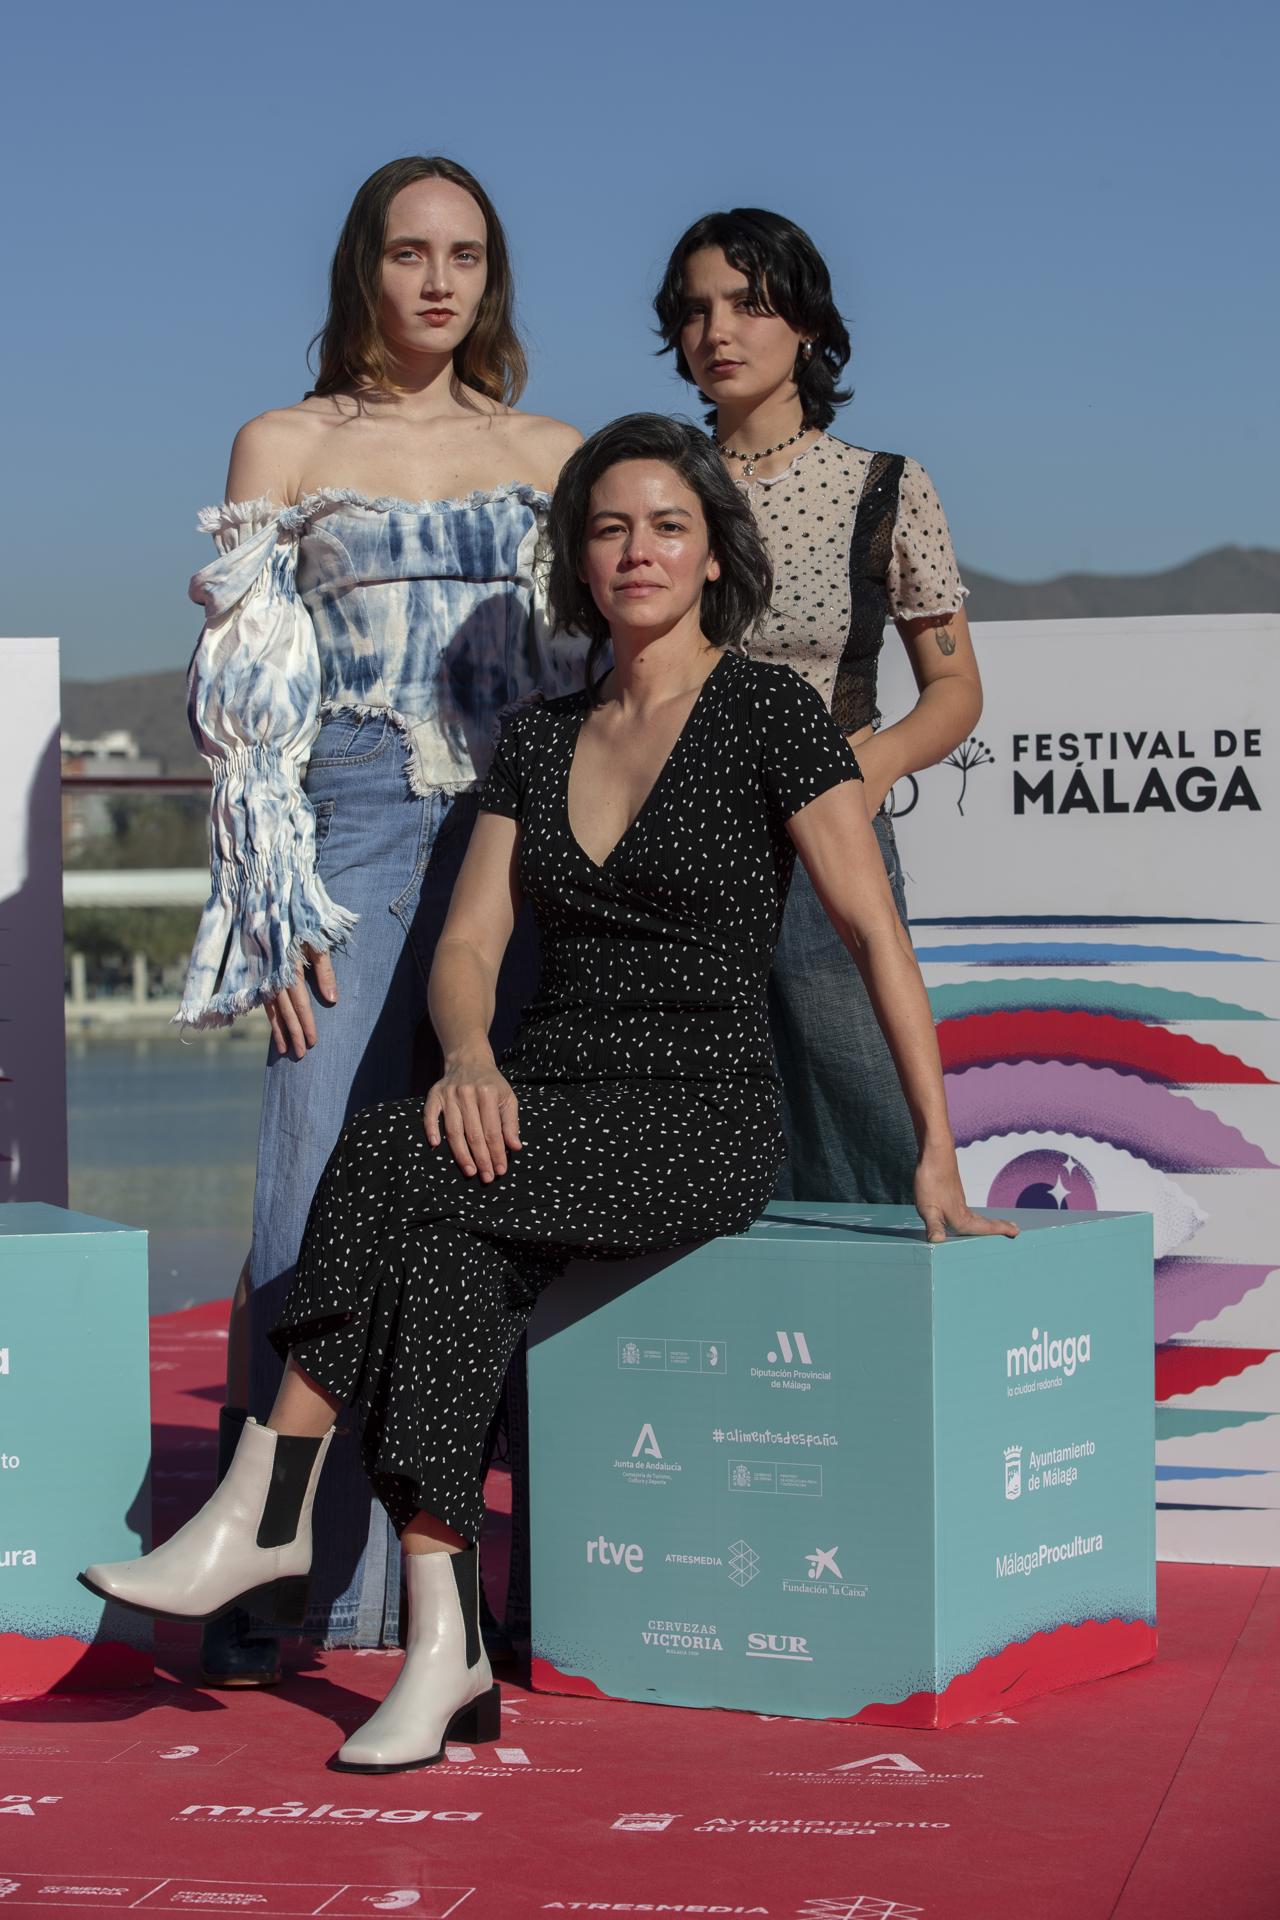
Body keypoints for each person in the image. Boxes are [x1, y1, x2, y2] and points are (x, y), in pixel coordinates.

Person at [83, 414, 1017, 1773]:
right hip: (543, 1100)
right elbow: (467, 947)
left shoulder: (770, 713)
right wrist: (468, 1055)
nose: (636, 550)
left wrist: (937, 1148)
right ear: (577, 561)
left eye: (667, 527)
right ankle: (444, 1640)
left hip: (695, 1114)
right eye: (608, 527)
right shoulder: (540, 735)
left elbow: (875, 935)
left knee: (393, 1155)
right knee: (452, 1255)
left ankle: (268, 1500)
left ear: (712, 558)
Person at [175, 155, 585, 1686]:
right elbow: (240, 702)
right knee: (306, 1193)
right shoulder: (284, 442)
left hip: (515, 836)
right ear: (362, 267)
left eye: (466, 255)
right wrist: (270, 904)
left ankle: (519, 1586)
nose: (437, 281)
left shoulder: (553, 447)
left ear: (492, 277)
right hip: (342, 822)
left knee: (504, 1199)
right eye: (408, 252)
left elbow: (605, 664)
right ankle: (292, 1590)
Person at [655, 207, 983, 1204]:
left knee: (863, 1117)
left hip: (824, 841)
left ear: (805, 322)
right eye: (695, 309)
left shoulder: (881, 486)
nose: (718, 332)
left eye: (748, 304)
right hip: (671, 847)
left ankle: (890, 1337)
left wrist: (861, 772)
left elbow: (954, 690)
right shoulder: (652, 485)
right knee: (685, 1130)